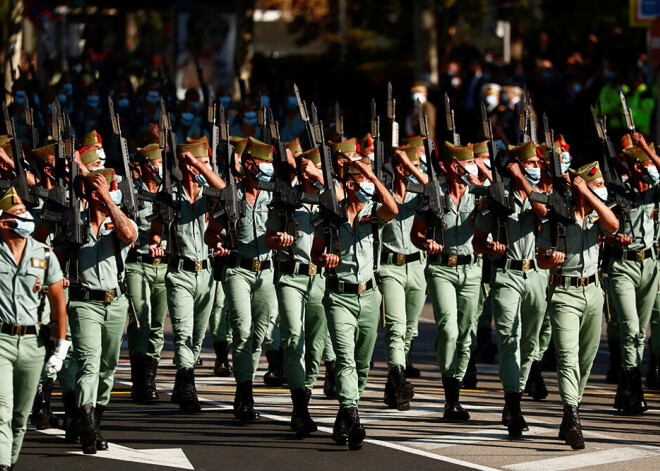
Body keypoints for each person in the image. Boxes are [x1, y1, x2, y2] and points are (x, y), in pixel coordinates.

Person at [311, 148, 398, 450]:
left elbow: (393, 209)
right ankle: (354, 418)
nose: (369, 188)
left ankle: (343, 415)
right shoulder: (330, 217)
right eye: (364, 181)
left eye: (371, 183)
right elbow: (316, 253)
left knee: (362, 365)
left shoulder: (372, 214)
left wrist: (372, 174)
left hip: (370, 296)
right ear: (350, 184)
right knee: (345, 361)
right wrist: (325, 259)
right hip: (340, 297)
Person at [539, 162, 618, 449]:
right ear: (579, 188)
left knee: (586, 359)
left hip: (594, 292)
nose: (602, 189)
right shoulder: (557, 217)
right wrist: (551, 258)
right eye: (596, 185)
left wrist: (591, 195)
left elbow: (614, 225)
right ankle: (572, 416)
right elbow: (541, 259)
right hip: (564, 293)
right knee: (567, 357)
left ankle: (571, 409)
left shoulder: (600, 217)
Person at [472, 141, 549, 437]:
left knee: (531, 345)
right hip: (507, 274)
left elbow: (544, 215)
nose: (535, 168)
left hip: (537, 275)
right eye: (529, 164)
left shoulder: (542, 194)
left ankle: (514, 394)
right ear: (515, 163)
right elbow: (478, 240)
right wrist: (489, 246)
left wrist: (522, 182)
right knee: (509, 339)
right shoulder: (497, 199)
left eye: (536, 164)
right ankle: (513, 405)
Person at [265, 146, 339, 436]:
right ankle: (299, 408)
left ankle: (305, 393)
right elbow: (269, 238)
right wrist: (277, 239)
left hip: (320, 279)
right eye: (309, 169)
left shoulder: (331, 201)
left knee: (316, 346)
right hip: (291, 278)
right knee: (295, 338)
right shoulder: (287, 199)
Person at [205, 136, 276, 422]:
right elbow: (211, 234)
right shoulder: (231, 196)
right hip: (238, 271)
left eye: (271, 164)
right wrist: (219, 243)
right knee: (242, 330)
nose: (269, 168)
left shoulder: (274, 196)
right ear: (248, 165)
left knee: (262, 332)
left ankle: (245, 376)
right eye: (264, 163)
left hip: (267, 270)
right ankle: (244, 392)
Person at [68, 169, 137, 455]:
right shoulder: (74, 223)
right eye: (103, 188)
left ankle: (96, 421)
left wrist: (109, 201)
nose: (110, 192)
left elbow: (130, 235)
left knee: (107, 368)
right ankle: (87, 424)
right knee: (89, 362)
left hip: (116, 303)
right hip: (84, 303)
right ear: (89, 193)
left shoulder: (118, 222)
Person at [154, 136, 225, 413]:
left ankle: (182, 377)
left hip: (206, 274)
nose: (198, 167)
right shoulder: (169, 194)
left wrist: (201, 167)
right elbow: (155, 231)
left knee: (197, 335)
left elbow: (225, 189)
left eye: (205, 162)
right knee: (183, 332)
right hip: (180, 272)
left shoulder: (212, 194)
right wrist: (154, 243)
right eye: (192, 162)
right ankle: (187, 385)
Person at [0, 187, 69, 470]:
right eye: (17, 215)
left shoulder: (44, 254)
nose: (26, 219)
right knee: (1, 410)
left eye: (25, 213)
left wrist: (61, 345)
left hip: (33, 344)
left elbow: (58, 302)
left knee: (20, 415)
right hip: (1, 340)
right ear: (3, 222)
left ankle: (10, 461)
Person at [412, 141, 480, 419]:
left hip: (472, 270)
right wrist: (426, 242)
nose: (467, 168)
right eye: (462, 164)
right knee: (448, 329)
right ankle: (450, 396)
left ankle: (457, 386)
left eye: (470, 163)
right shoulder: (434, 195)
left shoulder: (479, 194)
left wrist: (482, 185)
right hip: (441, 269)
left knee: (466, 334)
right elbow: (415, 234)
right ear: (449, 167)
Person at [608, 135, 660, 414]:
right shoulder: (617, 190)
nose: (645, 170)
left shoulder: (655, 191)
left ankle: (625, 388)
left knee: (640, 331)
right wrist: (614, 238)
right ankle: (635, 388)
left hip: (650, 265)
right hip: (623, 266)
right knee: (629, 326)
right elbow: (601, 226)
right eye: (640, 165)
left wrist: (645, 149)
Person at [380, 145, 428, 411]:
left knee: (409, 331)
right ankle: (400, 382)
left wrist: (410, 167)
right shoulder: (383, 195)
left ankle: (392, 389)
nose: (417, 171)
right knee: (396, 328)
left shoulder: (420, 197)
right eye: (413, 165)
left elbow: (434, 189)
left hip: (417, 268)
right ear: (399, 169)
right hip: (390, 268)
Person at [125, 144, 169, 402]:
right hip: (137, 264)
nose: (159, 169)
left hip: (163, 266)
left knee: (156, 326)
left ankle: (150, 378)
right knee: (140, 321)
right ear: (143, 167)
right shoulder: (131, 192)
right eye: (155, 164)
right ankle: (139, 381)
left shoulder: (169, 192)